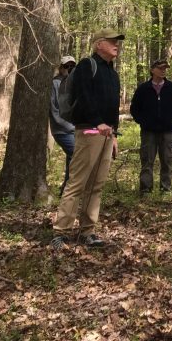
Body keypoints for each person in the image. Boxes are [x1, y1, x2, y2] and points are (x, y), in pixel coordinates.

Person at [50, 28, 124, 250]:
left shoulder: (113, 73)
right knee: (77, 182)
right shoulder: (86, 65)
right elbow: (84, 96)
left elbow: (112, 106)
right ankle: (60, 232)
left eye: (117, 42)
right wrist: (96, 122)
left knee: (97, 184)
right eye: (112, 41)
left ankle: (88, 231)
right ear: (99, 44)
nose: (116, 45)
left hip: (107, 134)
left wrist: (114, 132)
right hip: (89, 132)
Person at [130, 59, 172, 196]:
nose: (163, 70)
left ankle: (165, 188)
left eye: (165, 68)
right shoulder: (143, 89)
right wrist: (143, 121)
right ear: (153, 70)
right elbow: (135, 108)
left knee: (167, 159)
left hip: (168, 131)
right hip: (149, 131)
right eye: (160, 68)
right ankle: (146, 189)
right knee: (147, 160)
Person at [50, 55, 77, 196]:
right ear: (61, 68)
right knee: (76, 154)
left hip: (75, 129)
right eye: (67, 66)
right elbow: (55, 109)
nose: (69, 69)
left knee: (72, 158)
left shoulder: (73, 84)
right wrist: (68, 125)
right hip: (61, 130)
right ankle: (69, 190)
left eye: (72, 66)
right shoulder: (55, 84)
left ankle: (66, 190)